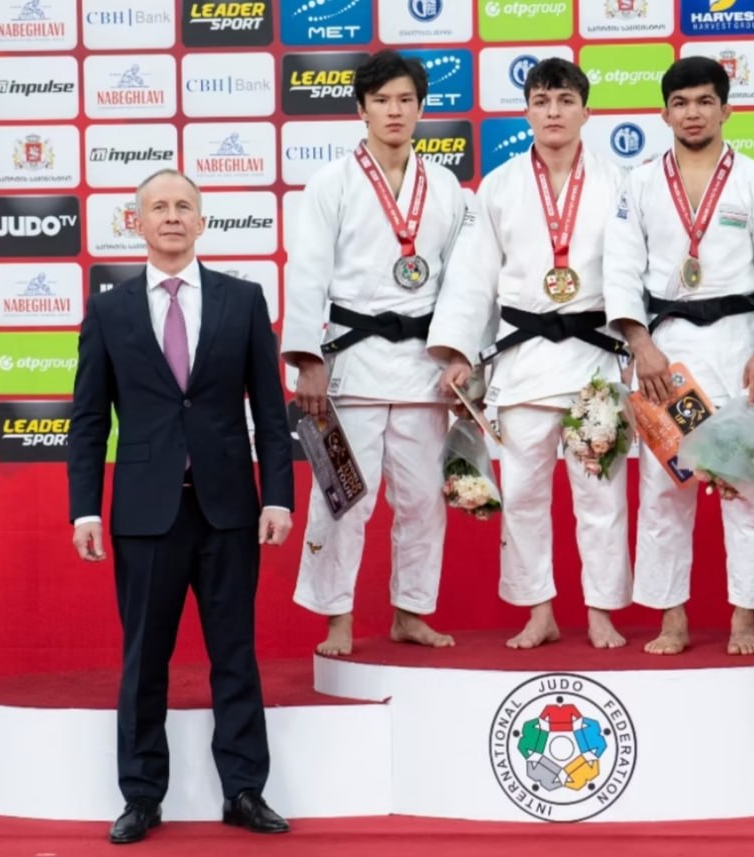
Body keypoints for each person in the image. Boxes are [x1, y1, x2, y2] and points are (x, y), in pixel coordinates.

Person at [67, 169, 294, 844]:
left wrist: (278, 496)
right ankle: (141, 795)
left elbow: (271, 413)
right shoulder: (108, 311)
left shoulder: (242, 300)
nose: (171, 216)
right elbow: (88, 420)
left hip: (229, 510)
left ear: (201, 221)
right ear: (136, 223)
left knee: (235, 653)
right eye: (159, 207)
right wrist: (85, 510)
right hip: (144, 513)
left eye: (183, 206)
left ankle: (244, 790)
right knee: (144, 660)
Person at [427, 58, 632, 650]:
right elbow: (472, 278)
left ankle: (600, 610)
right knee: (522, 495)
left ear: (586, 111)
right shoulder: (499, 186)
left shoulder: (621, 183)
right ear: (526, 112)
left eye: (565, 101)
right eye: (541, 102)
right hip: (523, 362)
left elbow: (635, 271)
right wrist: (461, 354)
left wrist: (641, 344)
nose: (553, 112)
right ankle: (538, 610)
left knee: (601, 495)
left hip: (595, 360)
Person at [282, 49, 467, 656]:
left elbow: (463, 280)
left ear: (420, 108)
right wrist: (308, 359)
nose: (394, 110)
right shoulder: (331, 182)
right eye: (382, 100)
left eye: (405, 100)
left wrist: (461, 353)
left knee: (422, 500)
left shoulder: (445, 186)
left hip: (422, 366)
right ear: (361, 108)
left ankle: (411, 612)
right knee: (342, 498)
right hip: (350, 363)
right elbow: (307, 274)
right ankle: (337, 619)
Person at [604, 56, 754, 656]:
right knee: (666, 489)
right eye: (681, 103)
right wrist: (641, 345)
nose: (693, 113)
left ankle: (745, 618)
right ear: (664, 113)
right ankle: (672, 618)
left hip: (739, 347)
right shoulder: (639, 183)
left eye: (705, 101)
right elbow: (621, 270)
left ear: (726, 109)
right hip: (669, 352)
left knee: (747, 483)